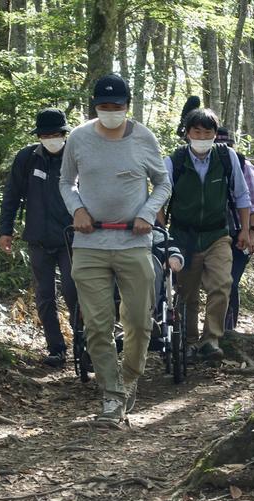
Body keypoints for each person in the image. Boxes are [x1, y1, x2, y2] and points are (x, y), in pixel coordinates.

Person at [59, 73, 171, 422]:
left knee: (139, 321)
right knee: (96, 324)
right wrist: (77, 209)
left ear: (127, 107)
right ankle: (111, 395)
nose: (110, 112)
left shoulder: (143, 138)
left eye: (117, 107)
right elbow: (66, 182)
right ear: (95, 106)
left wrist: (147, 214)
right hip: (90, 244)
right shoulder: (78, 138)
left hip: (134, 242)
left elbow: (163, 182)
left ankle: (130, 378)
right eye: (104, 107)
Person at [161, 108, 251, 361]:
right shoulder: (175, 161)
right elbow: (159, 200)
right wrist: (163, 235)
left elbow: (242, 196)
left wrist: (245, 229)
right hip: (183, 236)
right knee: (185, 292)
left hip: (217, 235)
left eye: (207, 132)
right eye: (196, 131)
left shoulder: (226, 158)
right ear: (188, 133)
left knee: (222, 284)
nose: (202, 136)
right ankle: (188, 341)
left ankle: (211, 339)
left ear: (215, 134)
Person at [0, 108, 76, 368]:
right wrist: (5, 230)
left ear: (64, 134)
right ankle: (56, 349)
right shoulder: (27, 158)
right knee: (44, 296)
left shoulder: (75, 156)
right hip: (38, 238)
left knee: (73, 289)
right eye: (46, 134)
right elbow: (12, 195)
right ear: (39, 135)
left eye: (55, 134)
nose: (51, 138)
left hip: (71, 238)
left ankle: (86, 344)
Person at [214, 127, 254, 331]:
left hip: (237, 233)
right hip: (212, 233)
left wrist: (251, 232)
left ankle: (228, 329)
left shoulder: (244, 167)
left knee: (230, 281)